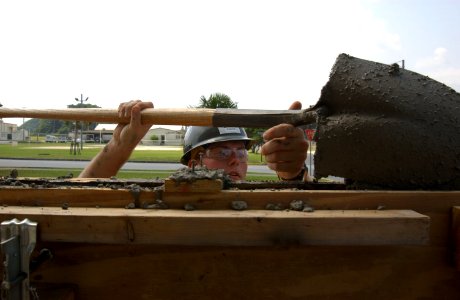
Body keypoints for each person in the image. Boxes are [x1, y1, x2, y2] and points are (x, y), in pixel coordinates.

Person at [79, 100, 309, 181]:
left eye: (240, 151)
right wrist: (119, 146)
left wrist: (292, 172)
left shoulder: (258, 201)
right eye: (222, 152)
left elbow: (300, 200)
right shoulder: (168, 199)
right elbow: (78, 196)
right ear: (193, 165)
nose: (235, 161)